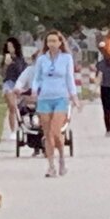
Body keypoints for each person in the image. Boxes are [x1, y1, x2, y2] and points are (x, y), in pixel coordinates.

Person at [32, 30, 80, 177]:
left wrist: (74, 97)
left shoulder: (66, 58)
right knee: (47, 135)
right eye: (49, 41)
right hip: (44, 98)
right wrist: (34, 91)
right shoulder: (42, 60)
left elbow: (69, 79)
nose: (51, 44)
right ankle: (51, 166)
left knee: (56, 132)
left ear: (60, 43)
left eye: (54, 41)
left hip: (60, 98)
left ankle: (62, 160)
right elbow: (37, 78)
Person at [1, 37, 27, 139]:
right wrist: (6, 65)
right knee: (12, 106)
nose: (10, 49)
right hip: (9, 83)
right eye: (8, 47)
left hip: (19, 84)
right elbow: (3, 74)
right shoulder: (6, 58)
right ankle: (12, 131)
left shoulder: (20, 59)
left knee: (21, 108)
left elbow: (23, 72)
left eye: (11, 46)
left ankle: (22, 125)